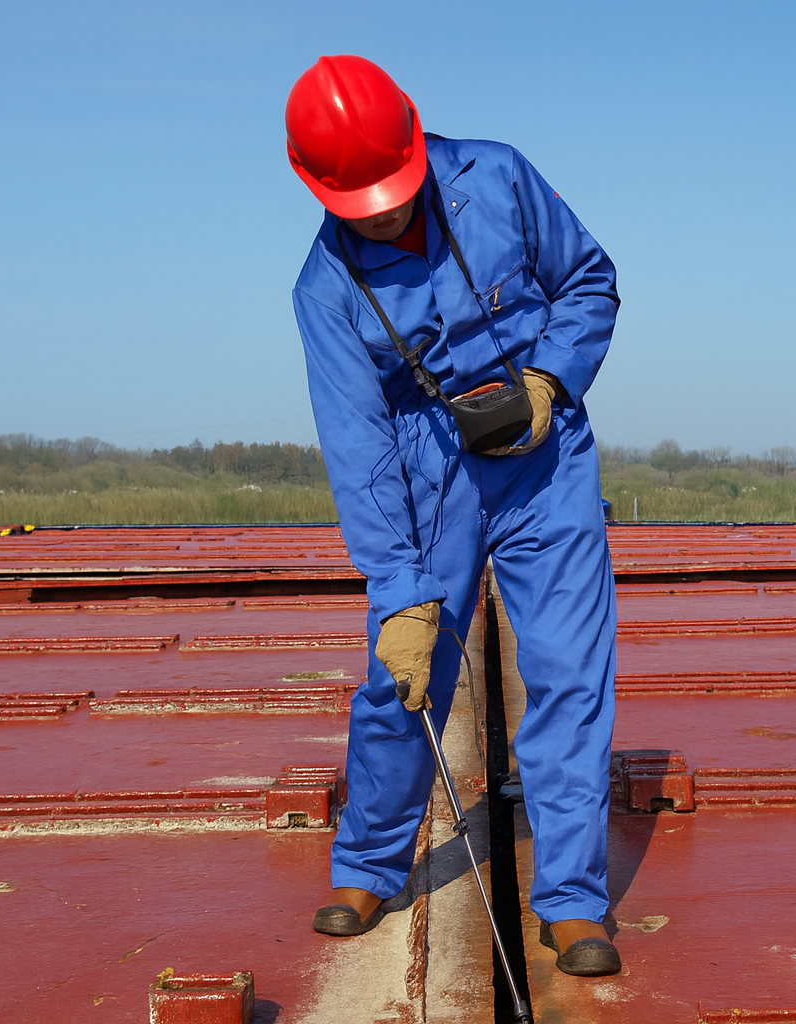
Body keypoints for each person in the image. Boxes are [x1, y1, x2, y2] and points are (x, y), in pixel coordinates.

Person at [284, 54, 621, 977]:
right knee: (407, 669)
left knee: (568, 674)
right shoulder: (324, 290)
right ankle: (368, 863)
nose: (387, 214)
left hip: (545, 455)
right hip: (432, 477)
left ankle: (571, 899)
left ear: (414, 142)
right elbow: (357, 446)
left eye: (394, 192)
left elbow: (590, 280)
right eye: (365, 205)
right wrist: (397, 588)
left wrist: (550, 379)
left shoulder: (500, 177)